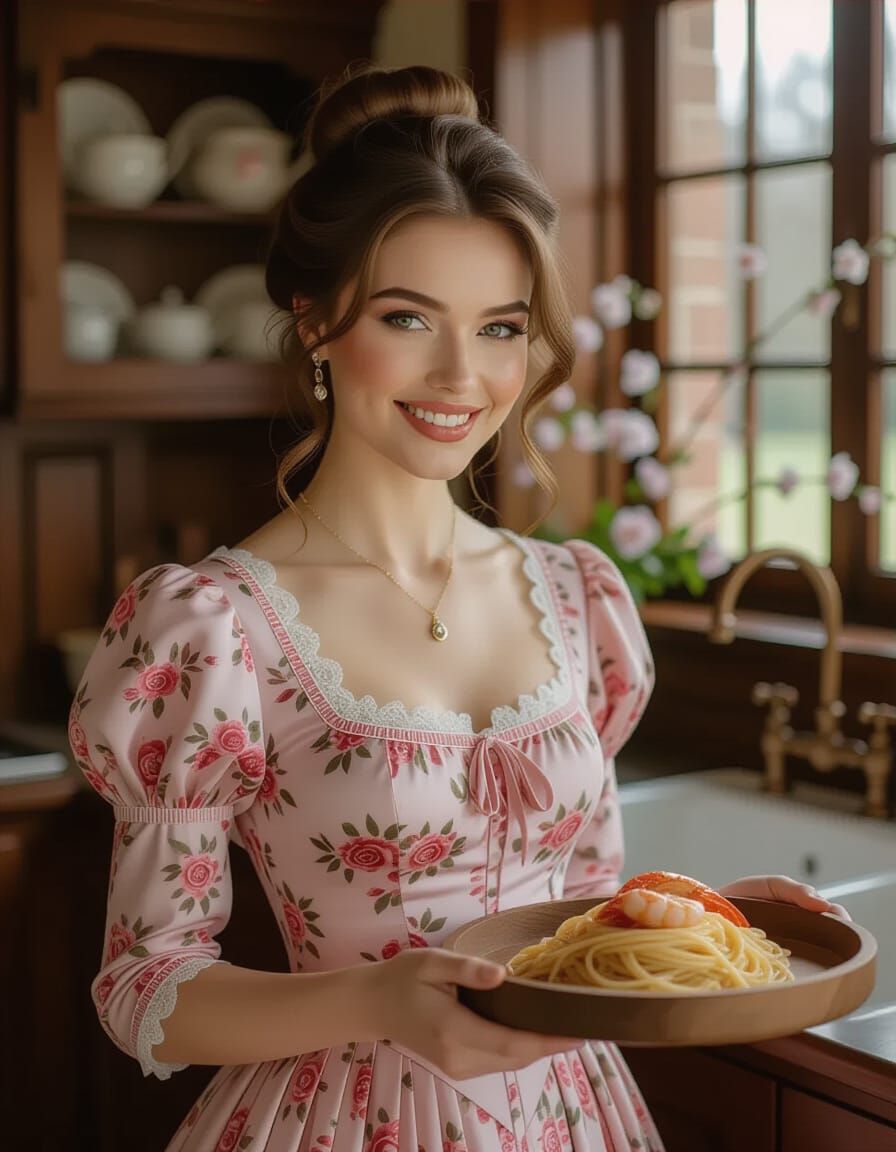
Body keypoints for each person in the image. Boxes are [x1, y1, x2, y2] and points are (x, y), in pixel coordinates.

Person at [69, 63, 847, 1152]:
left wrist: (708, 917)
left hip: (574, 1118)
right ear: (313, 322)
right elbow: (146, 985)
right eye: (407, 316)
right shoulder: (210, 630)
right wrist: (379, 1000)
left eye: (499, 327)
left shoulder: (578, 600)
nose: (460, 374)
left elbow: (565, 915)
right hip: (335, 1120)